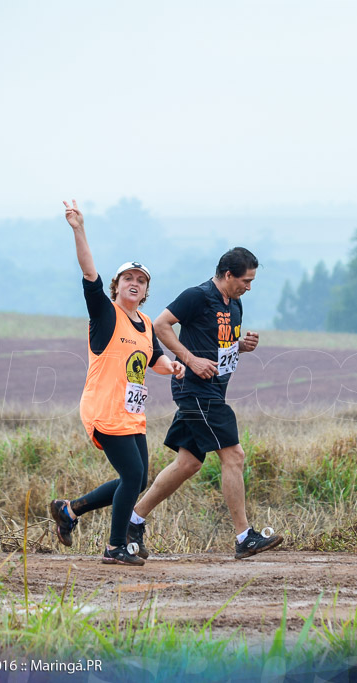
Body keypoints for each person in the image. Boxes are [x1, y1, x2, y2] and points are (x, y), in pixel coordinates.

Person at [125, 247, 284, 560]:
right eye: (245, 280)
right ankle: (243, 536)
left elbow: (220, 346)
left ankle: (132, 521)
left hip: (213, 390)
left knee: (189, 463)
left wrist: (241, 346)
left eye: (252, 281)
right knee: (234, 456)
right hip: (195, 390)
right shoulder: (197, 296)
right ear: (227, 275)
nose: (249, 287)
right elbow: (160, 325)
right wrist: (190, 359)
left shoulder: (235, 304)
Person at [49, 199, 185, 566]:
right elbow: (89, 272)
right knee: (133, 474)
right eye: (129, 279)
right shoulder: (106, 314)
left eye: (141, 281)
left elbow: (153, 359)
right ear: (117, 285)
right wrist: (79, 229)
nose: (135, 284)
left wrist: (171, 366)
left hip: (130, 413)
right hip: (103, 409)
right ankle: (114, 547)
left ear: (145, 290)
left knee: (137, 481)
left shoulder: (143, 323)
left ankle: (69, 510)